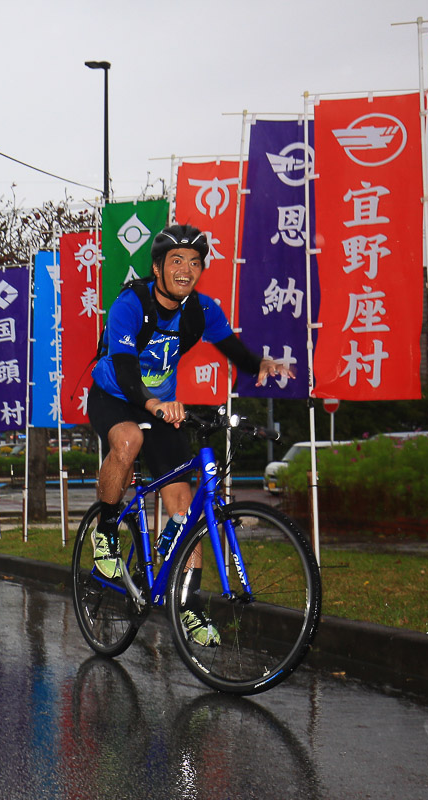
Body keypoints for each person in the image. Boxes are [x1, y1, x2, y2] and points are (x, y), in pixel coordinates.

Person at [87, 223, 294, 646]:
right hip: (117, 395)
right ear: (158, 266)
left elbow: (231, 349)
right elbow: (125, 370)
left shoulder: (201, 310)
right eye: (176, 260)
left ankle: (189, 606)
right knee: (129, 441)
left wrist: (260, 366)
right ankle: (105, 530)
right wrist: (152, 404)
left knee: (188, 512)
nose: (186, 269)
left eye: (195, 262)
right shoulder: (132, 303)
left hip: (163, 407)